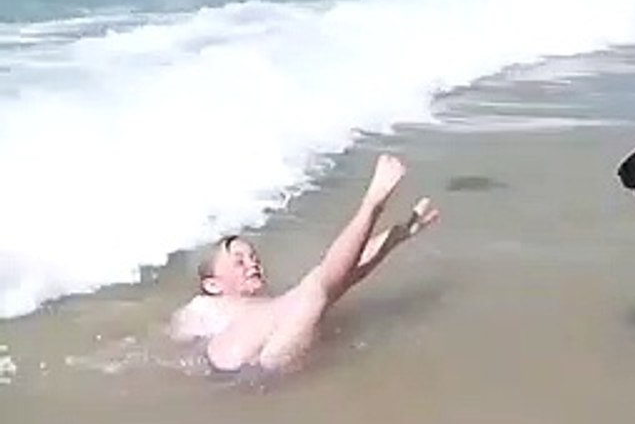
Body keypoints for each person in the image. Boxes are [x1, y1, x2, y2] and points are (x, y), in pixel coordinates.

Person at [168, 153, 440, 375]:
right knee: (314, 289)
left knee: (320, 290)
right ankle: (371, 204)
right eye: (239, 261)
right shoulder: (203, 307)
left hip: (267, 360)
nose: (252, 264)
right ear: (212, 284)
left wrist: (393, 238)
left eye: (253, 257)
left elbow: (340, 278)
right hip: (236, 366)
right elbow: (179, 350)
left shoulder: (268, 305)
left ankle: (378, 214)